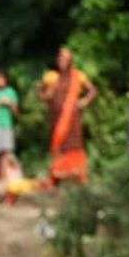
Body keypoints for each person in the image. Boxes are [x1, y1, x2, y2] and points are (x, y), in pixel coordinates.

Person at [39, 47, 98, 185]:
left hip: (73, 119)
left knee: (73, 145)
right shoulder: (51, 77)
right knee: (59, 146)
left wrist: (83, 102)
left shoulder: (78, 76)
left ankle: (77, 177)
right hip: (56, 119)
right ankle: (57, 177)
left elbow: (92, 91)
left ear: (70, 60)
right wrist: (46, 96)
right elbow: (42, 94)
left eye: (65, 58)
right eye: (60, 58)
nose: (62, 60)